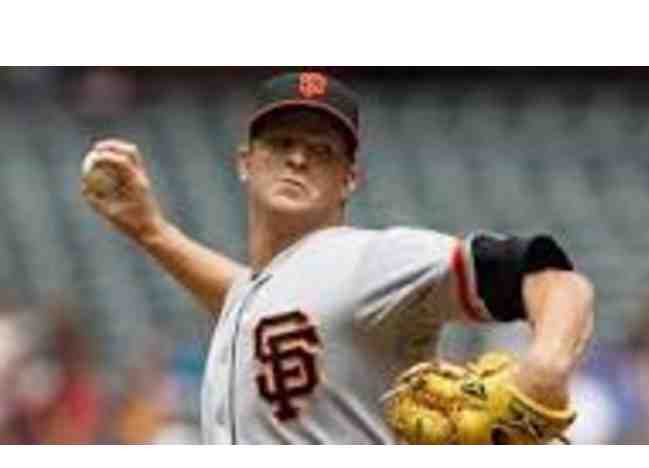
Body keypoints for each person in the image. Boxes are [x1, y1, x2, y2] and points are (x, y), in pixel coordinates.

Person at [81, 71, 595, 444]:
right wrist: (152, 231)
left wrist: (546, 366)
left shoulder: (372, 260)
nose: (298, 157)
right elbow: (248, 297)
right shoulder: (259, 293)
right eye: (281, 142)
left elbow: (551, 278)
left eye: (322, 150)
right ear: (246, 162)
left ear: (349, 180)